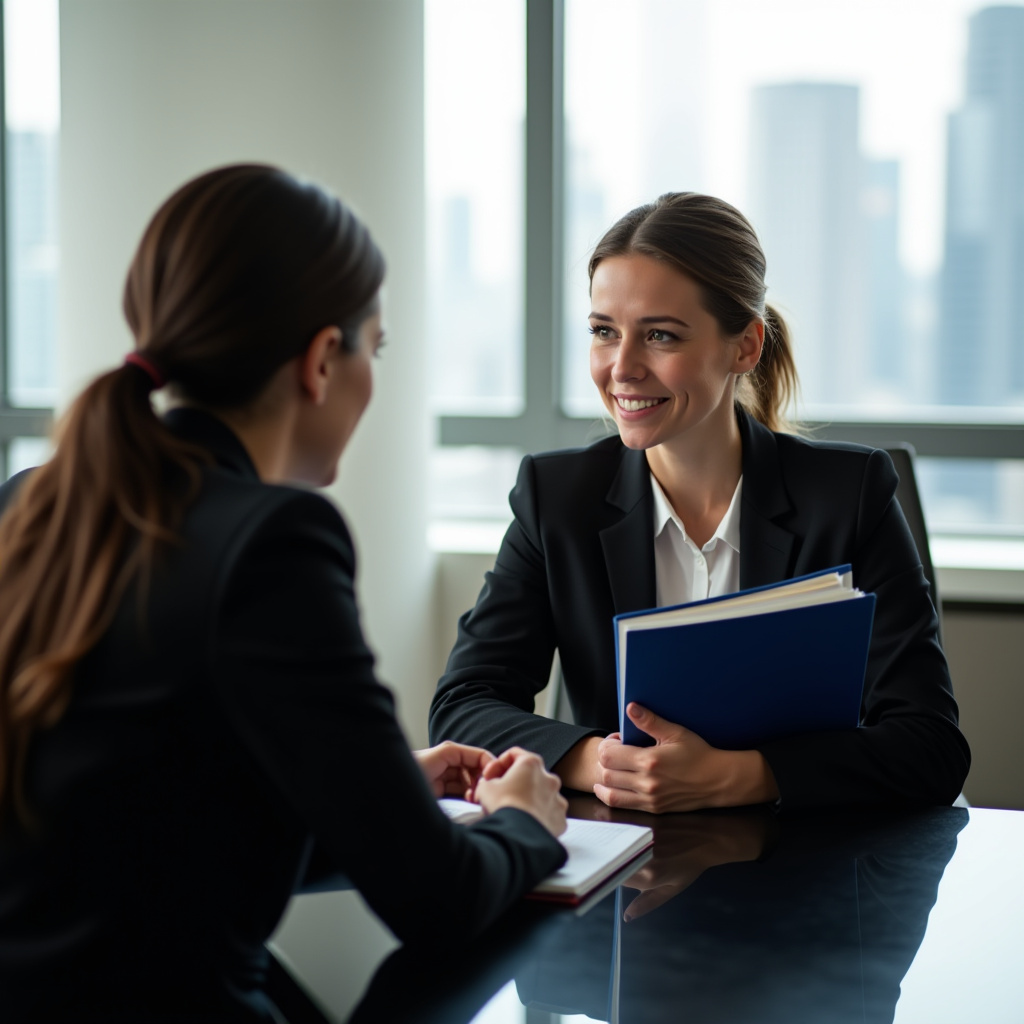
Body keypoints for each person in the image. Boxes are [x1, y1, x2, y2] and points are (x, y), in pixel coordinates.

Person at [0, 164, 568, 1022]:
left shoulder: (31, 501)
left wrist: (376, 790)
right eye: (372, 351)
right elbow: (437, 899)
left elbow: (128, 835)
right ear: (318, 362)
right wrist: (526, 820)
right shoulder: (273, 543)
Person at [429, 192, 971, 813]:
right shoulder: (556, 500)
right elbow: (462, 707)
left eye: (660, 335)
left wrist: (739, 777)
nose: (622, 368)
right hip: (627, 874)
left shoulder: (849, 496)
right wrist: (605, 763)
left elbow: (931, 746)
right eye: (604, 332)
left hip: (809, 872)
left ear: (744, 347)